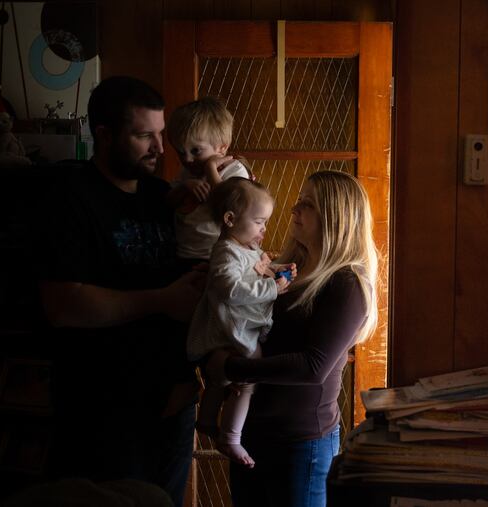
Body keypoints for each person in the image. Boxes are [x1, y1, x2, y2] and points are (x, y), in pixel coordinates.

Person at [38, 75, 205, 507]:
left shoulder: (161, 195)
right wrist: (162, 300)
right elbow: (63, 304)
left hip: (171, 403)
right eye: (143, 135)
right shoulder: (70, 198)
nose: (158, 148)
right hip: (103, 410)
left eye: (161, 135)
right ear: (105, 135)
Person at [206, 170, 379, 507]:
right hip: (255, 432)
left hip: (300, 443)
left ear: (335, 218)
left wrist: (231, 367)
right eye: (300, 200)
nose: (293, 209)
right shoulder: (289, 268)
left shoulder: (347, 284)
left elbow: (312, 367)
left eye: (307, 204)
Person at [187, 177, 295, 467]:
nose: (264, 229)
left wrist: (278, 271)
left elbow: (260, 269)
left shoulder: (247, 248)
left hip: (241, 326)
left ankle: (208, 419)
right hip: (230, 328)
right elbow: (231, 290)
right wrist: (273, 289)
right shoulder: (225, 252)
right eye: (259, 222)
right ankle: (230, 438)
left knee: (219, 379)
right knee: (249, 374)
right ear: (230, 219)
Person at [166, 96, 252, 265]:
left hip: (221, 256)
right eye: (181, 152)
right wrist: (185, 186)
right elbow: (168, 203)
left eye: (196, 150)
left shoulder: (235, 170)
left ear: (222, 147)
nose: (187, 159)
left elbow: (230, 207)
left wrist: (211, 170)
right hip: (184, 254)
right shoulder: (187, 172)